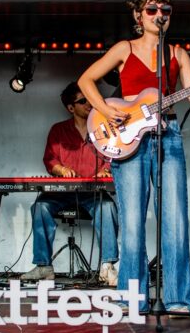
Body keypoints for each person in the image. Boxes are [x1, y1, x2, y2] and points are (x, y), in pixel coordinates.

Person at [78, 0, 190, 313]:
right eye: (151, 10)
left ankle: (178, 300)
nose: (159, 15)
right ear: (138, 16)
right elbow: (86, 80)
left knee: (175, 220)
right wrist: (106, 110)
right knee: (132, 223)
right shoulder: (124, 48)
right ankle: (131, 299)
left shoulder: (178, 53)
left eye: (164, 10)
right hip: (129, 139)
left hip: (168, 134)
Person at [20, 82, 120, 285]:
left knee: (107, 207)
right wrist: (61, 169)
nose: (89, 104)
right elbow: (50, 160)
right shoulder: (58, 130)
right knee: (40, 207)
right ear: (71, 108)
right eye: (83, 101)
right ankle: (43, 267)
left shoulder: (104, 128)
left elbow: (114, 154)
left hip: (92, 193)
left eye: (90, 100)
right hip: (62, 192)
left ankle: (107, 266)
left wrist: (106, 170)